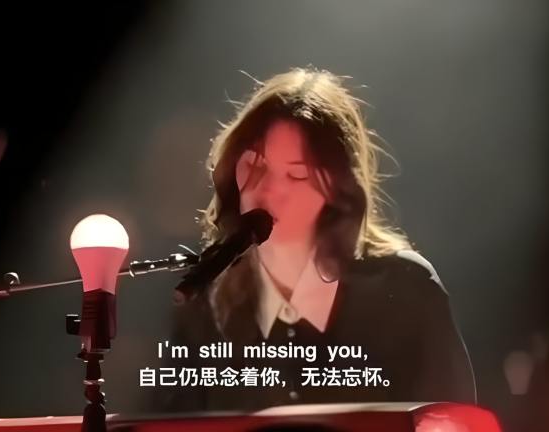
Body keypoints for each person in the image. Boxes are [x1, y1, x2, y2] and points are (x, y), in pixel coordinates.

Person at [154, 67, 476, 413]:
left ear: (338, 186)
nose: (269, 190)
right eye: (257, 166)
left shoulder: (407, 289)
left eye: (297, 174)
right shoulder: (203, 300)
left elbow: (454, 423)